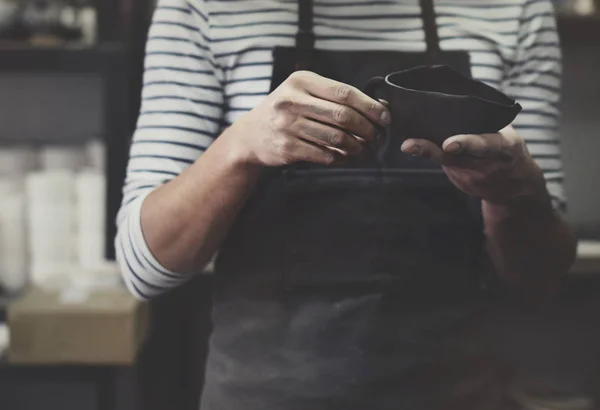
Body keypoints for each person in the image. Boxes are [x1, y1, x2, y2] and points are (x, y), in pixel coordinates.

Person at [116, 0, 577, 409]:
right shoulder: (204, 8)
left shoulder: (514, 9)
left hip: (454, 393)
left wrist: (516, 193)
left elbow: (539, 281)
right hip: (261, 395)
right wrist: (240, 146)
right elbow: (145, 266)